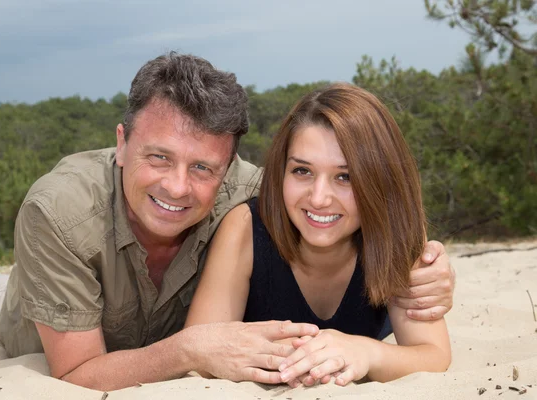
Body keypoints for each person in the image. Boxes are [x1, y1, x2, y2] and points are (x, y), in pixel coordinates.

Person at [0, 53, 454, 391]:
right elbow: (74, 375)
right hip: (51, 327)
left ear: (229, 166)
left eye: (203, 167)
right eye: (158, 157)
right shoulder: (58, 212)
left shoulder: (265, 191)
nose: (178, 187)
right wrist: (191, 350)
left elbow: (339, 205)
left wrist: (433, 268)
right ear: (121, 141)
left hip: (171, 337)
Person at [185, 83, 451, 388]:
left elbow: (434, 356)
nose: (319, 198)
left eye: (345, 177)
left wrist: (366, 352)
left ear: (379, 181)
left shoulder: (397, 233)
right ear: (281, 170)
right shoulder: (244, 228)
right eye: (302, 171)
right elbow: (199, 361)